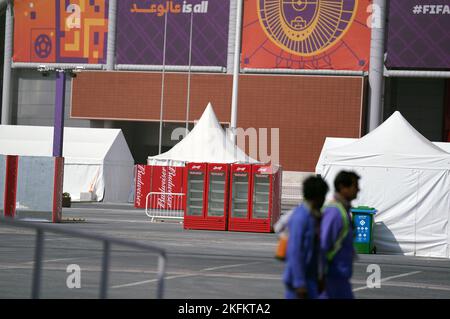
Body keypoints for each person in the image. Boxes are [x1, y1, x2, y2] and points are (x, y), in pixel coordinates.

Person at [283, 176, 329, 299]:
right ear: (318, 197)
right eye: (324, 196)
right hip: (299, 282)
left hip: (311, 278)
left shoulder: (314, 216)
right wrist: (299, 282)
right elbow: (295, 251)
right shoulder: (301, 217)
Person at [320, 171, 360, 299]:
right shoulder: (334, 213)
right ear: (343, 187)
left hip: (340, 281)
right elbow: (322, 246)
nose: (358, 189)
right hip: (331, 281)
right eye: (355, 185)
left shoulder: (343, 211)